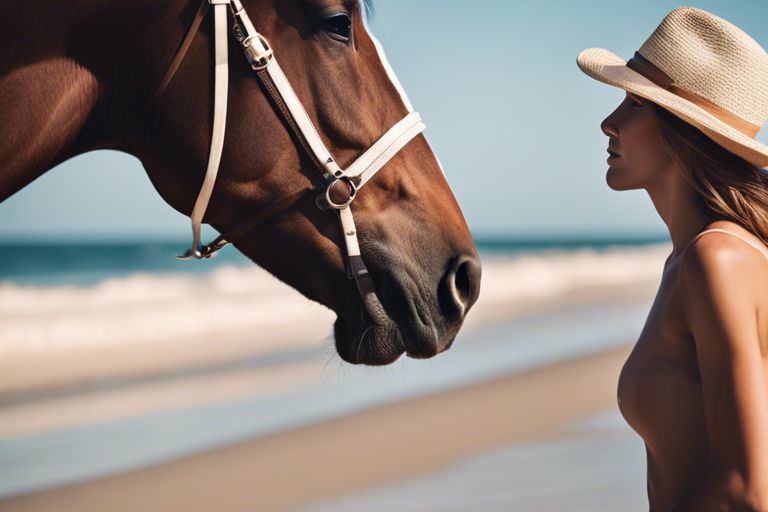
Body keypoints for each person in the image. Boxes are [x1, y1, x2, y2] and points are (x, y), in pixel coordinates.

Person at [577, 7, 768, 511]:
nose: (608, 122)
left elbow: (746, 490)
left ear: (685, 130)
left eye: (636, 104)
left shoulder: (716, 258)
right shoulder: (692, 260)